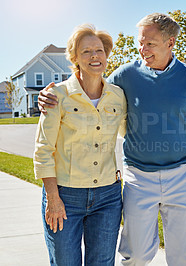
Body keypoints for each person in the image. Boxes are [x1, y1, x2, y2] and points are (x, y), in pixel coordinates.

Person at [39, 13, 186, 266]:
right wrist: (49, 93)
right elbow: (89, 84)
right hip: (138, 176)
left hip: (180, 174)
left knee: (185, 258)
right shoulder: (125, 76)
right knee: (135, 255)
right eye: (141, 42)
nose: (142, 49)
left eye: (150, 44)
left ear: (170, 43)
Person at [34, 24, 127, 265]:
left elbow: (132, 133)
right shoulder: (57, 95)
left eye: (99, 50)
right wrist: (53, 198)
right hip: (65, 196)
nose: (94, 56)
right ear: (74, 58)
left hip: (108, 196)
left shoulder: (118, 96)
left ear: (106, 56)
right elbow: (44, 150)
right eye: (86, 51)